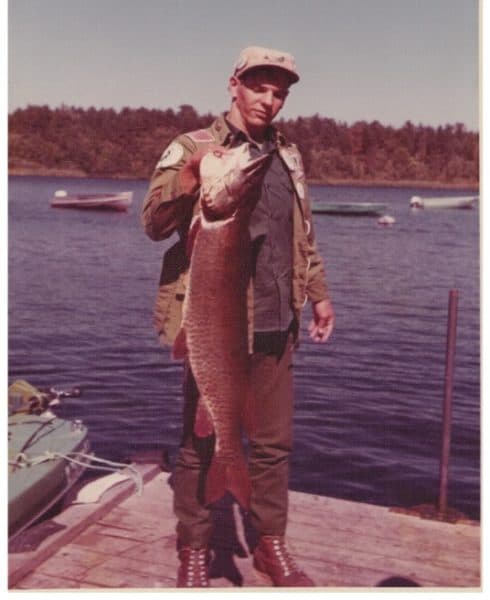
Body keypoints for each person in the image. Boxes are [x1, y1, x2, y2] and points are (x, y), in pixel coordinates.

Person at [141, 46, 335, 588]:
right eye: (258, 87)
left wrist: (319, 294)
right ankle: (195, 547)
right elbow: (153, 223)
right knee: (199, 443)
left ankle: (270, 544)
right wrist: (190, 179)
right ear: (234, 85)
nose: (268, 100)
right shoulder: (194, 147)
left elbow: (302, 235)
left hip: (278, 320)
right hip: (218, 324)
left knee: (273, 445)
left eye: (279, 93)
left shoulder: (288, 155)